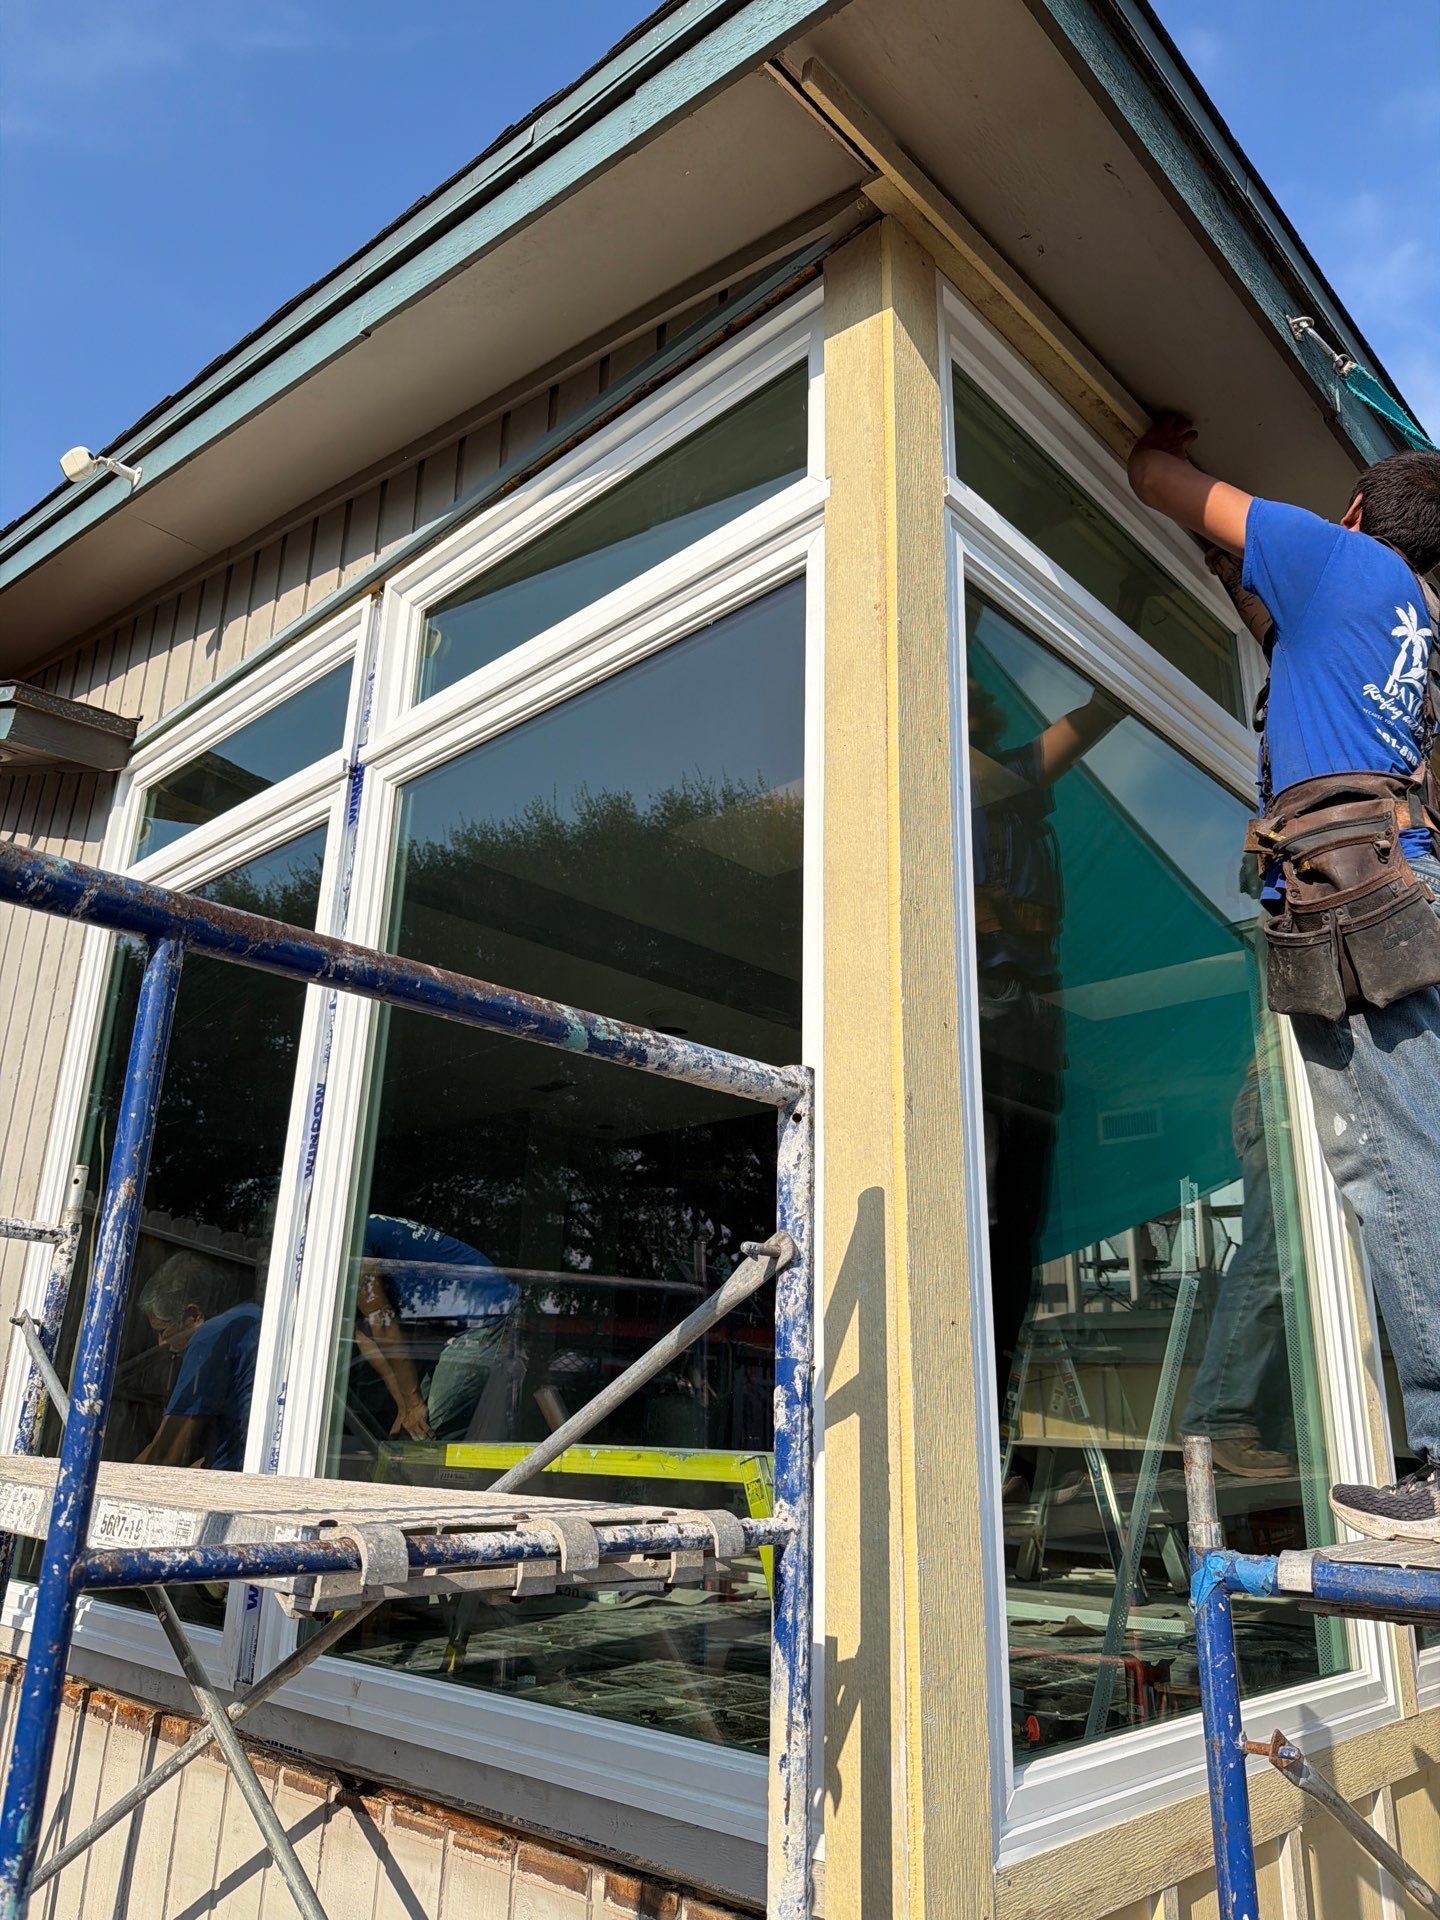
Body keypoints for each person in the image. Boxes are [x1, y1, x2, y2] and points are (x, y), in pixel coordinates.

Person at [1128, 424, 1440, 1540]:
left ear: (1355, 511)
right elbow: (1286, 642)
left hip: (1357, 901)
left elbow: (1152, 481)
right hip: (1401, 883)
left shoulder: (1335, 556)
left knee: (1391, 1163)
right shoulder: (1416, 621)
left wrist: (1164, 453)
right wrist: (1238, 579)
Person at [968, 673, 1122, 1436]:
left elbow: (1093, 719)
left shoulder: (1008, 782)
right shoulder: (952, 774)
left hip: (1027, 1005)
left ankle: (993, 1406)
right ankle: (974, 1399)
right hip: (990, 1000)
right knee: (987, 1206)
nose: (988, 696)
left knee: (1017, 1217)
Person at [352, 1214, 520, 1446]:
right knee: (413, 1427)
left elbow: (383, 1324)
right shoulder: (361, 1232)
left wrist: (414, 1405)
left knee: (424, 1434)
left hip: (489, 1312)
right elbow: (366, 1333)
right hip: (463, 1320)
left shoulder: (352, 1237)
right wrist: (404, 1407)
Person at [135, 1251, 260, 1471]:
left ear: (193, 1315)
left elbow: (164, 1456)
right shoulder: (251, 1317)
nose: (161, 1343)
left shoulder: (210, 1337)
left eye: (163, 1331)